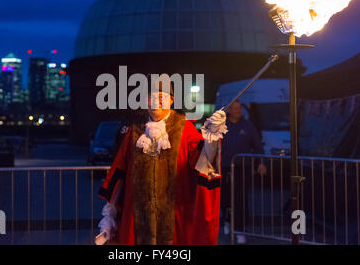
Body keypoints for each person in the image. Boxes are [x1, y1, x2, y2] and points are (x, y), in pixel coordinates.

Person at [96, 81, 227, 245]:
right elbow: (119, 173)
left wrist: (211, 138)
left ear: (171, 101)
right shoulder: (134, 131)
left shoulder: (185, 129)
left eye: (161, 97)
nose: (156, 101)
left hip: (174, 218)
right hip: (136, 219)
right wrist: (110, 214)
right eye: (151, 97)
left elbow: (204, 165)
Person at [220, 100, 265, 244]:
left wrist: (261, 163)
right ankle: (227, 220)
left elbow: (258, 145)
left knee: (240, 198)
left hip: (242, 167)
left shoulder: (248, 125)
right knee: (225, 197)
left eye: (239, 108)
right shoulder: (222, 126)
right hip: (225, 167)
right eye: (235, 108)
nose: (238, 111)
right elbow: (212, 145)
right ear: (229, 111)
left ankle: (240, 230)